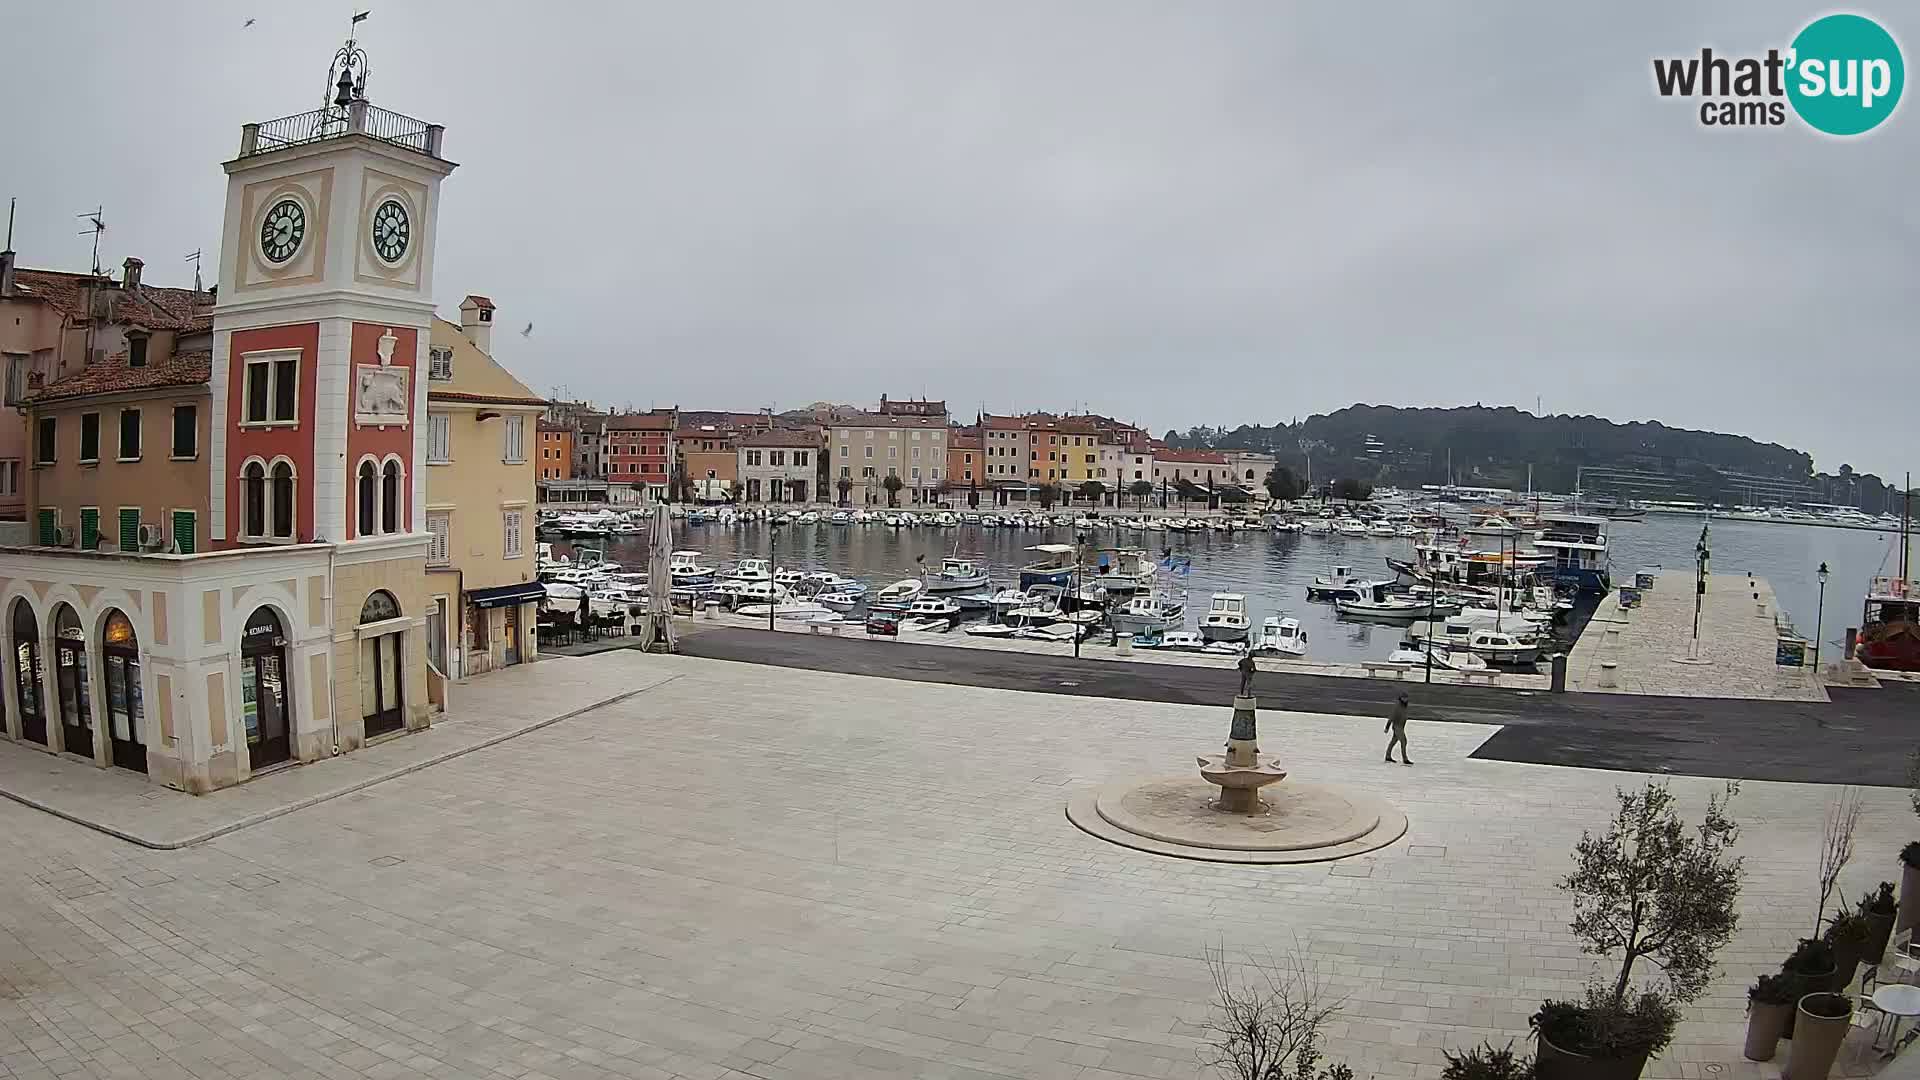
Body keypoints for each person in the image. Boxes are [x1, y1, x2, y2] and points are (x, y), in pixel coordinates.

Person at [1384, 692, 1411, 765]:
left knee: (1394, 741)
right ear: (1401, 698)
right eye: (1404, 698)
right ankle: (1405, 759)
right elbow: (1392, 717)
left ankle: (1388, 756)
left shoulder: (1404, 706)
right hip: (1397, 726)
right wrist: (1387, 727)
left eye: (1406, 698)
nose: (1405, 699)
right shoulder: (1398, 706)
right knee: (1403, 741)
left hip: (1401, 726)